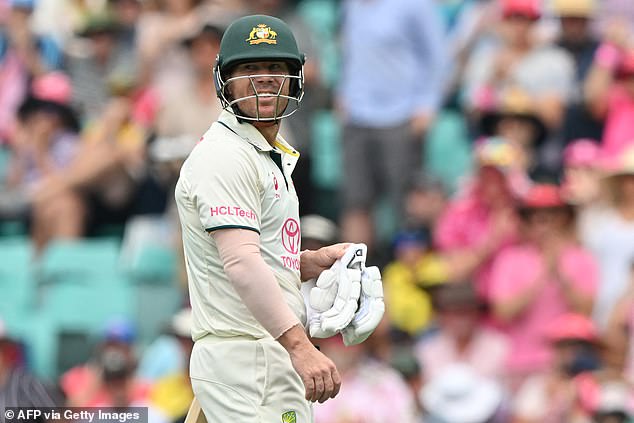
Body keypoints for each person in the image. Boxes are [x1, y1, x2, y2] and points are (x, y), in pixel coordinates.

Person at [175, 15, 349, 422]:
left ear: (294, 81)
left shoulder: (263, 154)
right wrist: (300, 347)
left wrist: (308, 262)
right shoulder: (225, 155)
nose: (264, 79)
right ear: (225, 81)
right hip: (248, 357)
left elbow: (255, 257)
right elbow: (241, 263)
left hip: (257, 354)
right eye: (249, 69)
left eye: (276, 69)